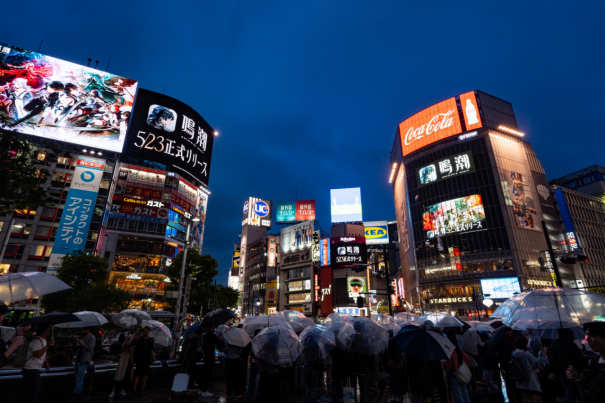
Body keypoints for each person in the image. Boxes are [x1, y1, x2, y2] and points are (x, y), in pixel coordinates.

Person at [567, 321, 605, 402]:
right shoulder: (593, 361)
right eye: (587, 335)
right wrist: (577, 378)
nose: (587, 339)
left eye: (592, 335)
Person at [548, 327, 588, 403]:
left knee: (565, 393)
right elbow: (579, 359)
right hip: (570, 372)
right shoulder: (569, 344)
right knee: (571, 395)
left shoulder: (553, 344)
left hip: (557, 373)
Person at [23, 325, 54, 403]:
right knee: (33, 391)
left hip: (35, 368)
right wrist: (48, 345)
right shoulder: (36, 341)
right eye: (47, 329)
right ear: (42, 331)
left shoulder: (44, 340)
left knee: (34, 390)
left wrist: (46, 362)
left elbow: (43, 353)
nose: (49, 331)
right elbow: (38, 354)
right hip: (31, 369)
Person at [511, 337, 546, 403]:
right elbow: (540, 365)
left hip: (520, 385)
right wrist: (542, 355)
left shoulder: (513, 354)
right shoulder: (527, 355)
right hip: (531, 385)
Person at [442, 335, 472, 403]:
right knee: (465, 392)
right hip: (462, 375)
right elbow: (468, 359)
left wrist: (444, 364)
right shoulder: (460, 352)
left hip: (455, 375)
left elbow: (448, 366)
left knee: (458, 394)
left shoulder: (450, 353)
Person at [109, 328, 138, 398]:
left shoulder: (134, 340)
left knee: (126, 374)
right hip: (124, 357)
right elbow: (124, 347)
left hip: (129, 358)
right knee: (119, 373)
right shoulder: (129, 338)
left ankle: (121, 389)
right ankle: (114, 390)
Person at [70, 326, 96, 402]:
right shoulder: (84, 337)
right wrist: (78, 342)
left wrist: (81, 342)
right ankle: (76, 392)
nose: (82, 331)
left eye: (83, 329)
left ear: (88, 330)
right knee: (76, 376)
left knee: (79, 377)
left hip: (84, 360)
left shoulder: (91, 337)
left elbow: (90, 347)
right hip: (79, 359)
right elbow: (80, 347)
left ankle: (77, 394)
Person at [131, 326, 155, 395]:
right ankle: (135, 389)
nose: (145, 332)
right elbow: (133, 345)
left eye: (146, 330)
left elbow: (152, 350)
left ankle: (142, 389)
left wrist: (151, 343)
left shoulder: (150, 340)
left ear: (148, 332)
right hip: (139, 359)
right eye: (144, 330)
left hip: (146, 360)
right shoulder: (139, 339)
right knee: (137, 374)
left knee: (145, 374)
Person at [199, 325, 220, 398]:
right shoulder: (212, 336)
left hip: (206, 355)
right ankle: (204, 390)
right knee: (208, 373)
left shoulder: (205, 336)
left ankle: (201, 389)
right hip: (210, 356)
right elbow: (219, 342)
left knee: (204, 373)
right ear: (212, 328)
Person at [244, 329, 262, 403]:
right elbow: (256, 354)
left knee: (256, 386)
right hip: (255, 366)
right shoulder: (255, 343)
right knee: (253, 386)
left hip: (257, 366)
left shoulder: (256, 343)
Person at [224, 328, 242, 398]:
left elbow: (225, 351)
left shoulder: (227, 344)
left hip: (228, 360)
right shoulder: (238, 344)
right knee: (236, 377)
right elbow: (240, 352)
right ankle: (237, 392)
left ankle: (229, 393)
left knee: (228, 377)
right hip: (236, 361)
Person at [386, 339, 405, 403]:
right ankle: (398, 396)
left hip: (392, 365)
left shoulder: (390, 341)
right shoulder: (400, 342)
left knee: (393, 380)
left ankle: (393, 396)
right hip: (399, 365)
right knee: (398, 380)